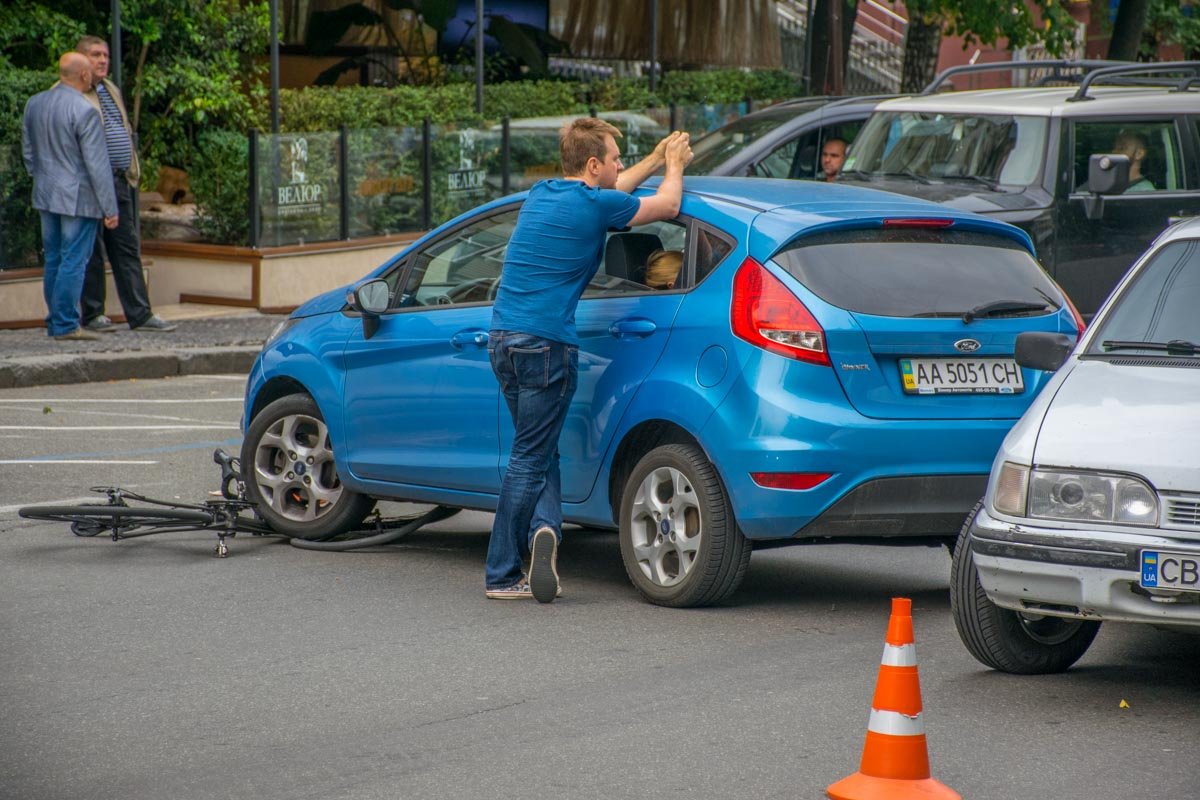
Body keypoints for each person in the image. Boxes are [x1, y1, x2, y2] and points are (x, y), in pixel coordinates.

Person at [484, 119, 693, 602]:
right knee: (527, 458)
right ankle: (500, 572)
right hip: (546, 345)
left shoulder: (541, 194)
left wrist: (654, 159)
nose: (622, 164)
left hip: (502, 339)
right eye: (616, 157)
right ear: (594, 164)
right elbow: (668, 205)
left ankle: (545, 529)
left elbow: (616, 188)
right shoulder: (598, 206)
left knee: (537, 448)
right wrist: (675, 166)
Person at [75, 35, 176, 333]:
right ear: (81, 60)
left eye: (105, 55)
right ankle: (92, 314)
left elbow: (122, 127)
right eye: (96, 55)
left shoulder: (110, 89)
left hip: (118, 180)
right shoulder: (74, 93)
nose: (103, 60)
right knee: (92, 251)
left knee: (126, 247)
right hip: (89, 183)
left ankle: (141, 315)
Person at [22, 53, 119, 341]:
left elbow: (28, 151)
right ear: (84, 76)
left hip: (45, 191)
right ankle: (64, 323)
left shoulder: (34, 103)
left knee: (53, 257)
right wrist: (109, 206)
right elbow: (97, 164)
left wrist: (38, 177)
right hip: (78, 196)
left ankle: (56, 319)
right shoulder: (85, 110)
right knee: (74, 259)